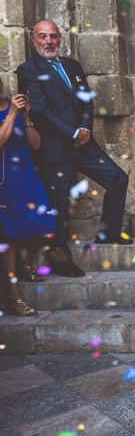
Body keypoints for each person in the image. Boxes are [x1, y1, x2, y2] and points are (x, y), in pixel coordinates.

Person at [17, 20, 133, 278]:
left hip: (84, 144)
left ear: (60, 39)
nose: (49, 41)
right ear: (34, 40)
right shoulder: (28, 70)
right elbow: (40, 110)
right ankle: (59, 260)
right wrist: (72, 132)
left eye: (53, 36)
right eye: (43, 37)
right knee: (58, 205)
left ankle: (108, 232)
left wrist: (85, 130)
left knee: (117, 179)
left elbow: (85, 102)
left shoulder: (72, 66)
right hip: (55, 149)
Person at [0, 82, 56, 316]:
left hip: (26, 175)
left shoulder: (17, 110)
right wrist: (12, 114)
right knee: (9, 239)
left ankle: (24, 261)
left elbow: (36, 144)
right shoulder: (9, 112)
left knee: (47, 224)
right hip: (5, 180)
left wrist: (28, 115)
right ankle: (13, 298)